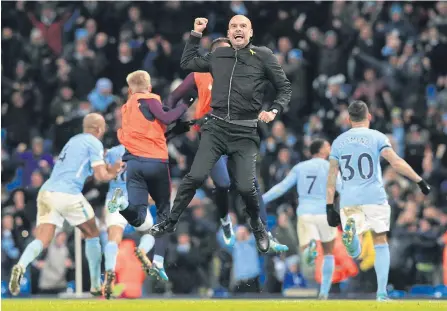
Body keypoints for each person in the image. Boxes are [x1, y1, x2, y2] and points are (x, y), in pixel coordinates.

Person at [150, 15, 292, 254]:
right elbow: (174, 98)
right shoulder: (200, 73)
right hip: (211, 132)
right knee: (223, 183)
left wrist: (271, 113)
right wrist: (181, 112)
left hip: (240, 131)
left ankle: (263, 230)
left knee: (251, 184)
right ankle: (225, 220)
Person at [326, 100, 431, 301]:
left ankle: (352, 241)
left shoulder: (339, 141)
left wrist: (329, 205)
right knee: (380, 242)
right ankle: (382, 293)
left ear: (348, 120)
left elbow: (332, 177)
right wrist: (419, 180)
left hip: (349, 199)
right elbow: (396, 162)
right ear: (369, 117)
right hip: (374, 197)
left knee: (355, 251)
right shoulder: (377, 137)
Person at [9, 113, 122, 296]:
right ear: (99, 129)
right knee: (92, 233)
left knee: (43, 239)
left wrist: (104, 165)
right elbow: (101, 176)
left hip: (47, 191)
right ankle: (94, 285)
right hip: (67, 192)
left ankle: (21, 264)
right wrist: (114, 170)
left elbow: (83, 169)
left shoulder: (74, 141)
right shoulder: (94, 143)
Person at [107, 70, 192, 281]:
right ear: (149, 87)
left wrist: (176, 131)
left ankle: (122, 204)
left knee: (137, 216)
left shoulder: (127, 109)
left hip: (134, 164)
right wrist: (186, 104)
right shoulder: (148, 99)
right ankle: (158, 262)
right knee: (164, 215)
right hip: (155, 163)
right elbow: (166, 116)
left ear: (129, 90)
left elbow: (154, 132)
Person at [263, 139, 341, 299]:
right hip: (324, 213)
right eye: (327, 146)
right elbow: (343, 189)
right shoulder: (330, 167)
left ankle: (310, 247)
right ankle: (324, 292)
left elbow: (281, 187)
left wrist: (262, 199)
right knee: (328, 253)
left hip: (305, 213)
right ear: (320, 151)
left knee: (306, 248)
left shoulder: (299, 168)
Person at [102, 144, 155, 299]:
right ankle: (143, 250)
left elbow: (100, 174)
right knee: (151, 231)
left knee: (113, 238)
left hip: (113, 196)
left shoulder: (111, 152)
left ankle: (108, 275)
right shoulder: (146, 153)